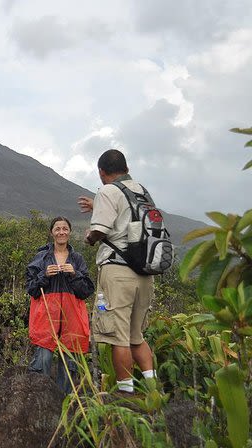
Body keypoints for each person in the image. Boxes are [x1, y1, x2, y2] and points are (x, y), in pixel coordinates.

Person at [79, 149, 157, 396]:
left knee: (118, 336)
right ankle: (152, 390)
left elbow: (100, 230)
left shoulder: (108, 190)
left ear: (102, 172)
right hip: (144, 272)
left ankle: (126, 394)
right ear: (126, 167)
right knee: (137, 335)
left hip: (118, 272)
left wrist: (89, 238)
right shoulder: (141, 191)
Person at [25, 216, 94, 394]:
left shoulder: (77, 259)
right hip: (46, 316)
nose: (61, 232)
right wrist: (44, 275)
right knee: (44, 358)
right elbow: (31, 288)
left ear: (70, 232)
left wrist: (75, 274)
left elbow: (86, 291)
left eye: (65, 228)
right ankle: (40, 400)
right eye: (57, 229)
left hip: (72, 318)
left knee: (70, 361)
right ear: (52, 232)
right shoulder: (41, 258)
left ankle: (66, 402)